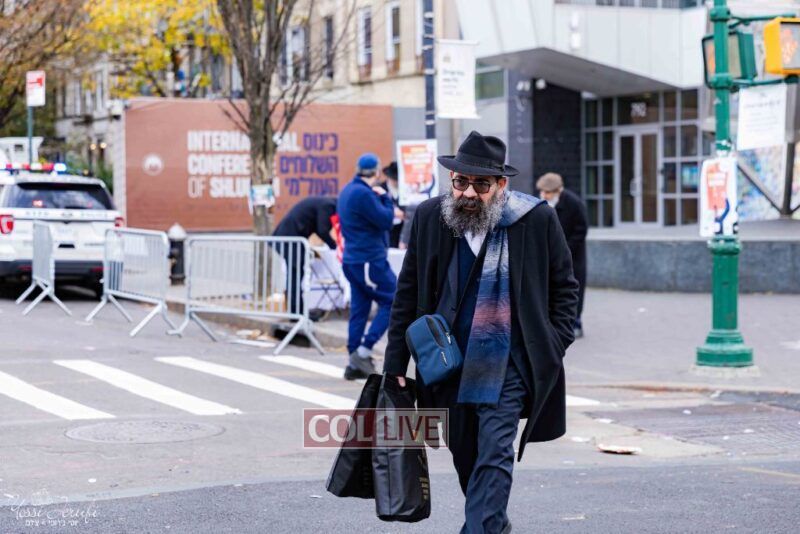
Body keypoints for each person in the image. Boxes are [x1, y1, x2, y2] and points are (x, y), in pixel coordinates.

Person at [383, 131, 579, 533]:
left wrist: (552, 344)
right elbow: (408, 291)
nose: (469, 193)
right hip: (446, 363)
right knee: (467, 457)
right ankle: (494, 526)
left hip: (509, 365)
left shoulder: (535, 218)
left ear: (501, 185)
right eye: (461, 182)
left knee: (494, 454)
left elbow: (565, 289)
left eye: (481, 184)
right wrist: (395, 364)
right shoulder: (431, 216)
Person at [337, 153, 398, 380]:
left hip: (354, 260)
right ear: (377, 171)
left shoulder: (348, 190)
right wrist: (386, 198)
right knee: (394, 300)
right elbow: (386, 220)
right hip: (369, 261)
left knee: (360, 309)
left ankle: (354, 362)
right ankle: (362, 353)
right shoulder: (364, 193)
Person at [536, 172, 588, 338]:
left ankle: (576, 323)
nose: (544, 195)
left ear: (558, 190)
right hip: (547, 257)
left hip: (572, 257)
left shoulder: (574, 203)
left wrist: (564, 251)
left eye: (548, 192)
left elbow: (581, 230)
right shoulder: (540, 204)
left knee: (573, 290)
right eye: (542, 191)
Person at [273, 196, 338, 322]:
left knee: (295, 277)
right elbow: (322, 229)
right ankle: (296, 313)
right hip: (291, 239)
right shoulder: (328, 206)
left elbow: (319, 229)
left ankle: (297, 312)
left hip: (290, 238)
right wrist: (334, 246)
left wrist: (332, 245)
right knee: (295, 278)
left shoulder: (325, 203)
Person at [381, 162, 405, 248]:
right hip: (387, 229)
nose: (396, 181)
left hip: (402, 229)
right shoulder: (381, 189)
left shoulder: (405, 189)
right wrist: (392, 212)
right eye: (393, 179)